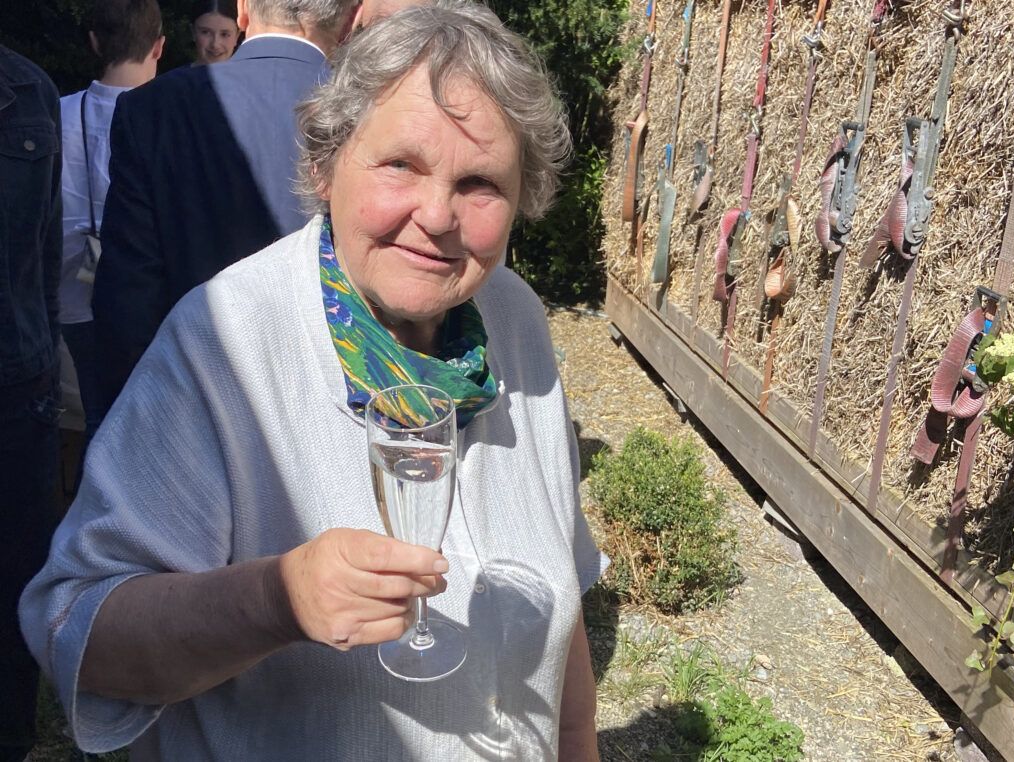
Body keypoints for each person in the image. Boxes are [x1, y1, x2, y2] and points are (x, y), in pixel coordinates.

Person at [20, 3, 603, 759]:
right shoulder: (227, 341)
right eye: (401, 165)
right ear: (326, 164)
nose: (438, 215)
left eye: (481, 183)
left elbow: (563, 598)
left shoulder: (512, 318)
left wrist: (577, 741)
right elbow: (79, 631)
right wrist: (274, 599)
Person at [91, 0, 360, 415]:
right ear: (350, 18)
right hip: (342, 400)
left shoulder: (155, 106)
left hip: (187, 393)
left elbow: (128, 293)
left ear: (243, 9)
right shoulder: (375, 108)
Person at [59, 0, 164, 455]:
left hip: (72, 297)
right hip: (153, 303)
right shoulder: (170, 116)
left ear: (94, 42)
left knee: (97, 417)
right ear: (159, 46)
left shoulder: (57, 114)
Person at [0, 45, 63, 762]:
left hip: (16, 388)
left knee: (14, 583)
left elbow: (45, 249)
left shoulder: (29, 92)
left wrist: (43, 359)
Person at [190, 0, 242, 65]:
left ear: (237, 36)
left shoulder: (250, 71)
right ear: (193, 32)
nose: (215, 45)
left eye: (224, 34)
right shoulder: (179, 72)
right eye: (205, 32)